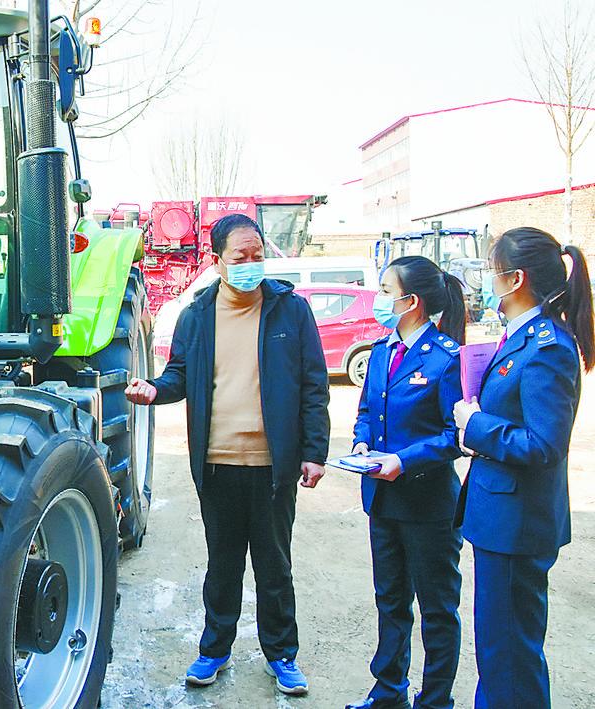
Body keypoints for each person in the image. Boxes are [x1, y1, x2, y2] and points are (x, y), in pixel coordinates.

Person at [125, 214, 330, 696]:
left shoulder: (290, 311)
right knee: (223, 565)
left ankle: (282, 655)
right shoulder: (197, 315)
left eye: (258, 255)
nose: (251, 264)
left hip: (273, 467)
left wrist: (314, 452)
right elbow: (179, 375)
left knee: (275, 566)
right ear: (218, 262)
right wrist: (153, 391)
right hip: (217, 466)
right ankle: (214, 649)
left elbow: (314, 385)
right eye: (241, 257)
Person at [452, 227, 593, 708]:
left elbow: (544, 444)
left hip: (517, 524)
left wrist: (476, 425)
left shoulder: (547, 346)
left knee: (510, 653)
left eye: (493, 272)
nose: (488, 281)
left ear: (516, 279)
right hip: (501, 519)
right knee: (498, 650)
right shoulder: (521, 338)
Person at [347, 256, 467, 709]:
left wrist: (403, 459)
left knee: (437, 610)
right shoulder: (381, 351)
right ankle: (389, 692)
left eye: (384, 290)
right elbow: (365, 413)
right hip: (383, 499)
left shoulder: (445, 358)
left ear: (410, 301)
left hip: (429, 505)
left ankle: (435, 700)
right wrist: (361, 446)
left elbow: (455, 434)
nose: (378, 299)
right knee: (390, 602)